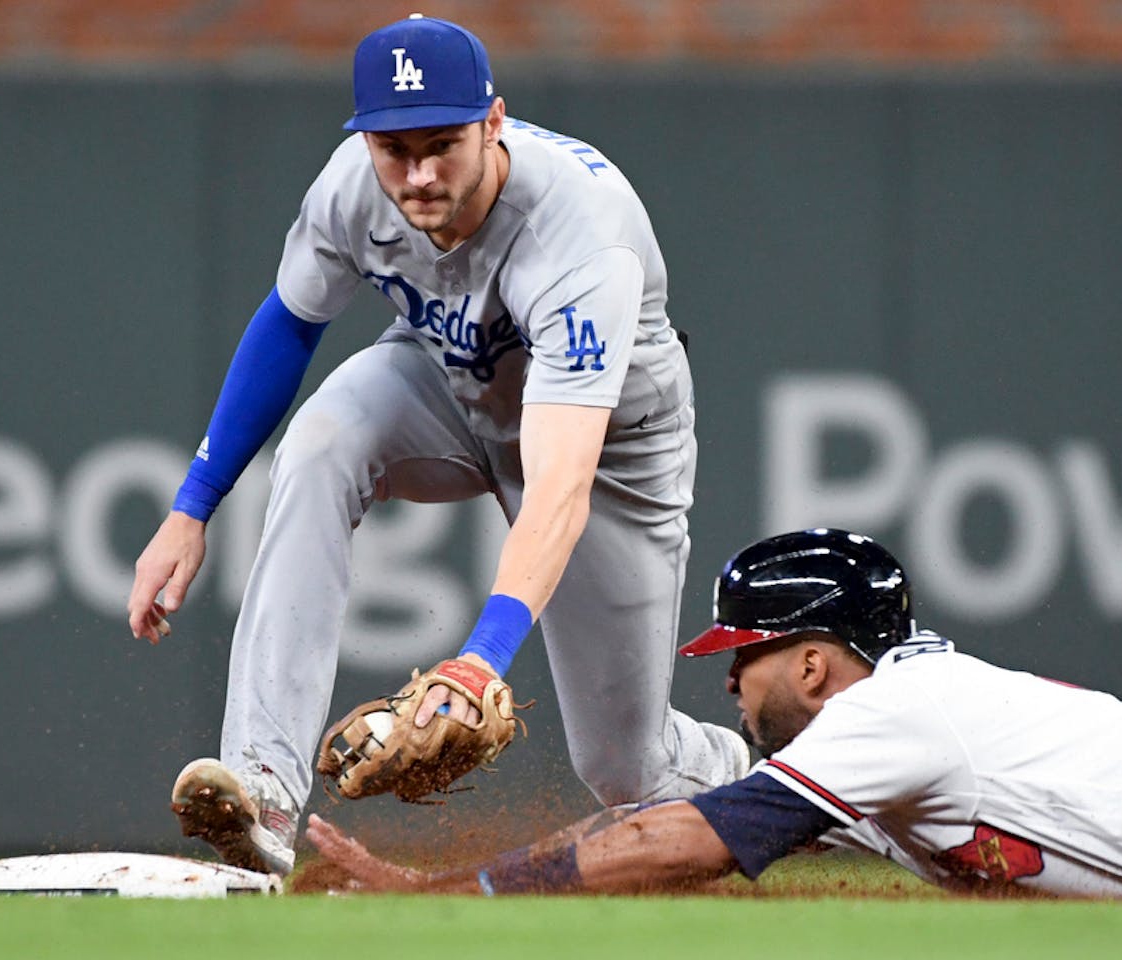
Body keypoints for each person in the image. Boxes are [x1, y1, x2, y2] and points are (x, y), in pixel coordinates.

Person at [124, 14, 750, 876]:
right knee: (322, 444)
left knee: (624, 768)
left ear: (494, 122)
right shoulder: (354, 182)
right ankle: (264, 787)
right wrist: (192, 507)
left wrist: (478, 661)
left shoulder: (581, 236)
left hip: (607, 453)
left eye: (441, 144)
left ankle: (753, 777)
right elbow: (289, 322)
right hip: (451, 382)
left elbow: (558, 480)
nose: (415, 174)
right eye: (393, 148)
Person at [307, 528, 1122, 899]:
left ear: (820, 665)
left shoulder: (895, 717)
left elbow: (686, 841)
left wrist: (471, 888)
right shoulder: (879, 741)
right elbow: (629, 827)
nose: (730, 685)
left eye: (748, 658)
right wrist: (433, 887)